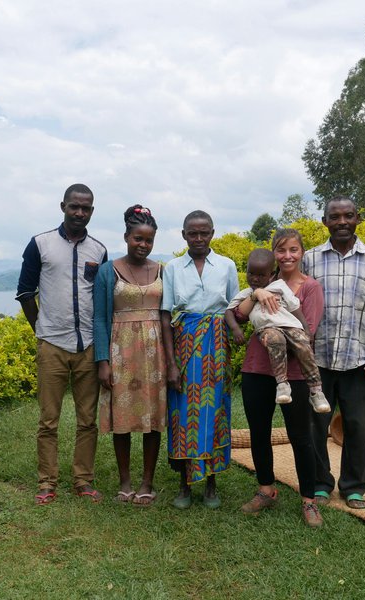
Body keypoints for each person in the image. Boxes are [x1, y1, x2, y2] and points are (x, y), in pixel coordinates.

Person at [16, 183, 108, 506]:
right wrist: (40, 328)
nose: (79, 213)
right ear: (63, 207)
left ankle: (83, 480)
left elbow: (101, 297)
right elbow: (26, 293)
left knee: (88, 420)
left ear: (92, 212)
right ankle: (47, 482)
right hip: (52, 344)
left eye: (85, 208)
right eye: (74, 207)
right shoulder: (40, 245)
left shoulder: (98, 251)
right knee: (48, 420)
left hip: (88, 347)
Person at [301, 196, 365, 509]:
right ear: (324, 221)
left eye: (348, 216)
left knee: (358, 425)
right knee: (316, 424)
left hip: (359, 359)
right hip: (317, 359)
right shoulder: (310, 259)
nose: (342, 222)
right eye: (335, 216)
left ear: (357, 219)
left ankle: (354, 486)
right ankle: (320, 482)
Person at [235, 229, 327, 527]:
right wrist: (255, 293)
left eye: (293, 250)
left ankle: (309, 500)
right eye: (281, 250)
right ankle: (266, 489)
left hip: (296, 374)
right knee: (258, 433)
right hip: (256, 370)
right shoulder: (259, 282)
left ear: (301, 253)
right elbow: (237, 316)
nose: (287, 256)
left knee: (301, 436)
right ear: (273, 255)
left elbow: (308, 330)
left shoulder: (309, 287)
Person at [160, 210, 239, 509]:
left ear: (212, 233)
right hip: (184, 344)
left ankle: (211, 483)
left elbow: (233, 307)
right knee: (182, 414)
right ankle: (183, 484)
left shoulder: (227, 266)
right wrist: (171, 363)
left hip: (217, 346)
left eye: (204, 232)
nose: (198, 238)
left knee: (215, 411)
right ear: (183, 235)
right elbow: (166, 315)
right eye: (192, 233)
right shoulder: (173, 268)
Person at [93, 204, 165, 507]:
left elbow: (167, 314)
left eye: (148, 240)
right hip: (120, 351)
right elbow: (99, 318)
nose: (143, 245)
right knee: (120, 418)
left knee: (153, 419)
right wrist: (103, 361)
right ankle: (125, 481)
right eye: (138, 238)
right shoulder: (107, 271)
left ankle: (147, 481)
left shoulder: (163, 270)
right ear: (126, 236)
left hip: (155, 352)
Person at [225, 248, 330, 412]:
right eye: (251, 273)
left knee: (303, 345)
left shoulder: (279, 286)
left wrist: (306, 330)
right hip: (267, 329)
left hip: (290, 326)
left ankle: (316, 391)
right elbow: (229, 311)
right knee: (275, 340)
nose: (255, 279)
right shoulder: (246, 293)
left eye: (261, 275)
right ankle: (282, 384)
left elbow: (295, 308)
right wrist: (236, 329)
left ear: (271, 273)